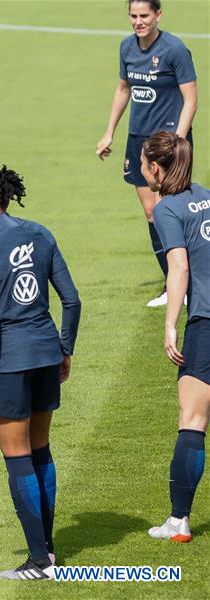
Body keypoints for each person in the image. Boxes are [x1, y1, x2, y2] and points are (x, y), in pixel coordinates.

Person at [0, 166, 81, 580]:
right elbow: (72, 300)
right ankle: (49, 549)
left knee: (17, 457)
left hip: (8, 362)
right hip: (46, 354)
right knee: (41, 448)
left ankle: (39, 561)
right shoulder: (40, 233)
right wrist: (64, 349)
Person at [96, 0, 197, 308]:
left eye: (144, 16)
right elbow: (123, 88)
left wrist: (177, 143)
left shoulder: (175, 49)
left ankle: (191, 277)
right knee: (152, 213)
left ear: (158, 15)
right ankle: (172, 284)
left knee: (172, 210)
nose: (138, 21)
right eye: (133, 16)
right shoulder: (127, 48)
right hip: (138, 140)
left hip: (168, 142)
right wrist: (109, 131)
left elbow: (190, 99)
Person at [142, 131, 208, 543]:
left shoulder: (167, 209)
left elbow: (179, 269)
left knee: (193, 422)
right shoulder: (206, 194)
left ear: (158, 168)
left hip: (205, 321)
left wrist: (170, 323)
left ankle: (179, 521)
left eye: (146, 162)